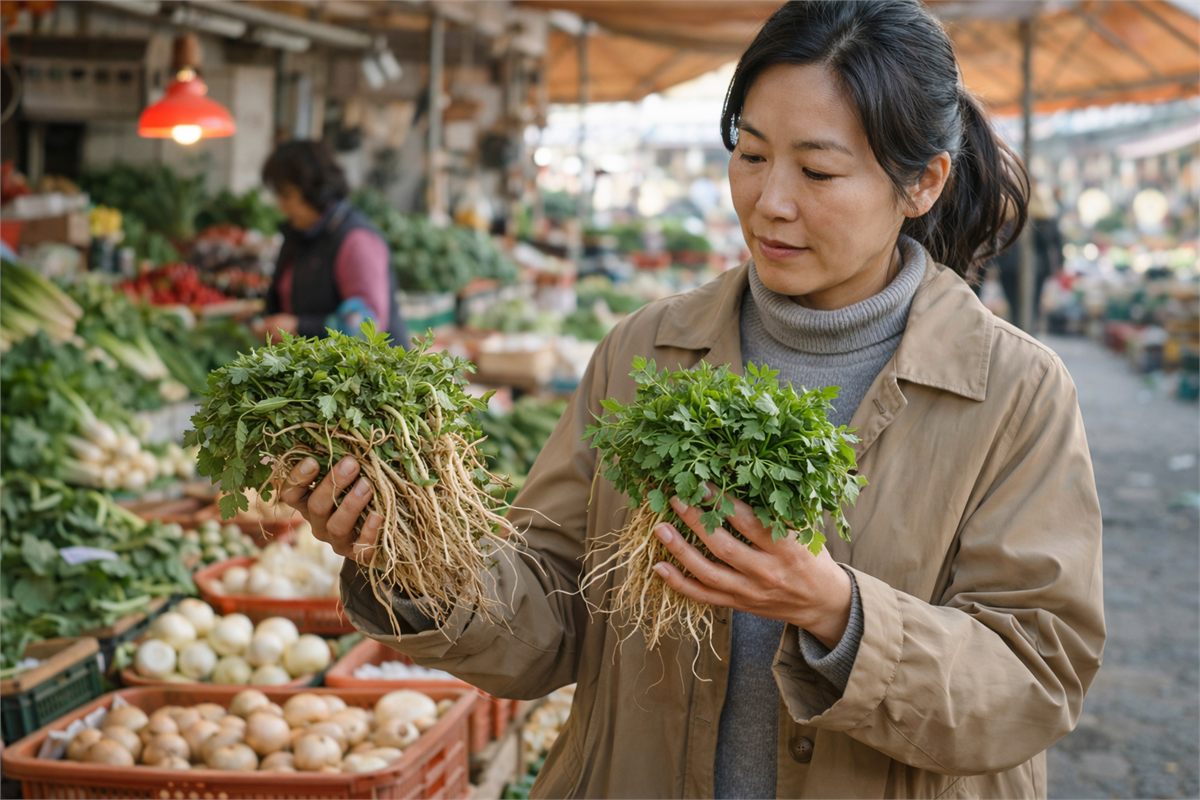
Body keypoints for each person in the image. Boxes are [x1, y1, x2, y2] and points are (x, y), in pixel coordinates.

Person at [280, 2, 1104, 797]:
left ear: (922, 182)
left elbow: (1034, 678)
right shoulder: (645, 352)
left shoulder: (1014, 392)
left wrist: (835, 610)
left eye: (817, 170)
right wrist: (412, 552)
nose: (769, 201)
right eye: (751, 155)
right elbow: (552, 611)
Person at [256, 140, 406, 342]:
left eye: (286, 195)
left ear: (312, 189)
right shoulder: (300, 234)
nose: (281, 206)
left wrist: (299, 327)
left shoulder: (356, 241)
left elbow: (366, 325)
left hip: (362, 363)